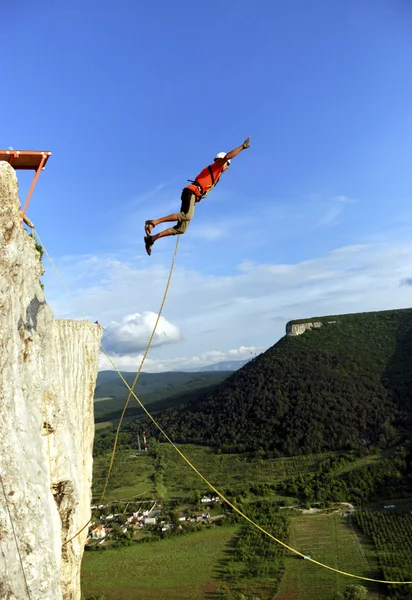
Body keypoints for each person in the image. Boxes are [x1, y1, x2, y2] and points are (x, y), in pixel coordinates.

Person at [143, 136, 251, 255]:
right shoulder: (216, 166)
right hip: (191, 191)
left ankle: (151, 239)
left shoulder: (217, 175)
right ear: (222, 162)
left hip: (193, 196)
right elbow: (228, 157)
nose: (227, 167)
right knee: (187, 215)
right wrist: (242, 147)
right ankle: (153, 222)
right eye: (227, 165)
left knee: (181, 229)